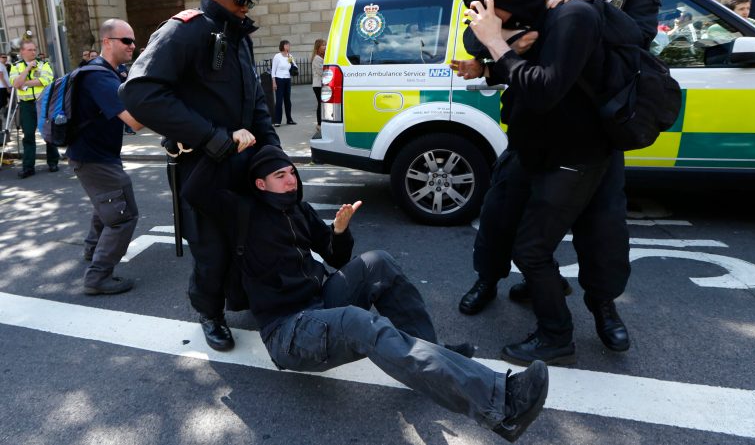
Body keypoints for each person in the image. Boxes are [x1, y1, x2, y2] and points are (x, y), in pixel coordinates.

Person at [182, 144, 549, 444]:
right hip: (289, 330)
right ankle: (502, 405)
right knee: (361, 324)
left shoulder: (298, 209)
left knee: (380, 262)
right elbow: (194, 191)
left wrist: (339, 232)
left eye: (292, 172)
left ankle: (428, 353)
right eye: (280, 176)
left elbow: (335, 257)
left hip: (321, 300)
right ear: (260, 185)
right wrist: (225, 144)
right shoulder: (241, 212)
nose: (291, 180)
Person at [456, 0, 658, 359]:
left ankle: (604, 308)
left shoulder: (632, 0)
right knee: (499, 216)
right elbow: (485, 39)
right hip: (533, 132)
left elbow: (637, 40)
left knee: (602, 233)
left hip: (593, 141)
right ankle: (490, 280)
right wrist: (505, 40)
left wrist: (585, 11)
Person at [119, 0, 280, 352]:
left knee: (249, 235)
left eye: (250, 1)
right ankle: (210, 313)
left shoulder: (239, 36)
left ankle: (242, 298)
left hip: (243, 159)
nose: (246, 8)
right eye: (240, 0)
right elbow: (139, 94)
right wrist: (212, 137)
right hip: (200, 163)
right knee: (211, 248)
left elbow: (254, 102)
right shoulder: (183, 31)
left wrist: (275, 155)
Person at [68, 19, 144, 294]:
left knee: (106, 205)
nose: (132, 46)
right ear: (107, 41)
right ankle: (97, 277)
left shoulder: (111, 73)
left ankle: (91, 250)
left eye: (133, 41)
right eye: (126, 40)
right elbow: (133, 122)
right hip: (94, 158)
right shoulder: (98, 76)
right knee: (123, 215)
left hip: (95, 155)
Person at [9, 40, 59, 178]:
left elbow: (46, 80)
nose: (33, 52)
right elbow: (15, 84)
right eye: (30, 50)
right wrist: (27, 69)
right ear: (22, 52)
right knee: (28, 135)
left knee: (48, 133)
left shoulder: (44, 64)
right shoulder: (15, 66)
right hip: (26, 105)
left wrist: (23, 82)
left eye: (34, 49)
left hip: (43, 103)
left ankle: (53, 161)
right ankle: (28, 167)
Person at [271, 39, 296, 126]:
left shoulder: (290, 56)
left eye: (289, 45)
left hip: (287, 79)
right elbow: (273, 70)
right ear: (283, 46)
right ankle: (277, 121)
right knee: (279, 100)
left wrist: (292, 62)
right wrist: (274, 82)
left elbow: (294, 66)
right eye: (287, 45)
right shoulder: (277, 56)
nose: (289, 46)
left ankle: (289, 119)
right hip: (279, 79)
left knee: (287, 100)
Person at [311, 38, 326, 132]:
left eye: (325, 45)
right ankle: (319, 124)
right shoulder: (317, 58)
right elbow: (321, 71)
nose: (325, 47)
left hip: (322, 84)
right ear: (318, 47)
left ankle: (321, 123)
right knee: (320, 104)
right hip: (318, 85)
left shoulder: (323, 57)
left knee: (323, 104)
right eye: (323, 45)